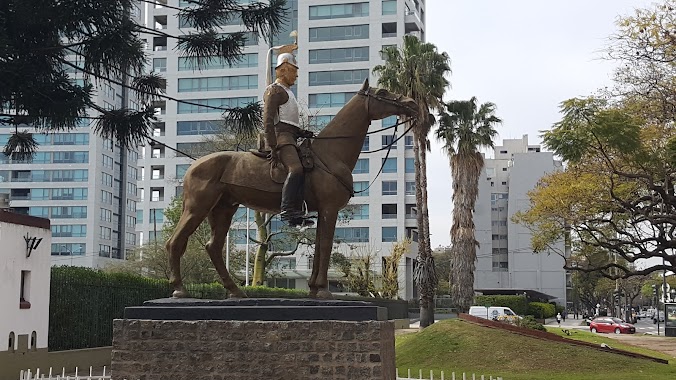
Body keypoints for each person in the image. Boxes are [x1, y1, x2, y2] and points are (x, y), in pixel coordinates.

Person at [263, 52, 315, 227]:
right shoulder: (275, 90)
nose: (297, 75)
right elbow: (268, 121)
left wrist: (302, 132)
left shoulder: (288, 92)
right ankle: (286, 210)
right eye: (294, 71)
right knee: (296, 169)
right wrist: (272, 146)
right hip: (282, 139)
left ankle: (299, 210)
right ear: (283, 70)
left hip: (291, 136)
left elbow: (288, 122)